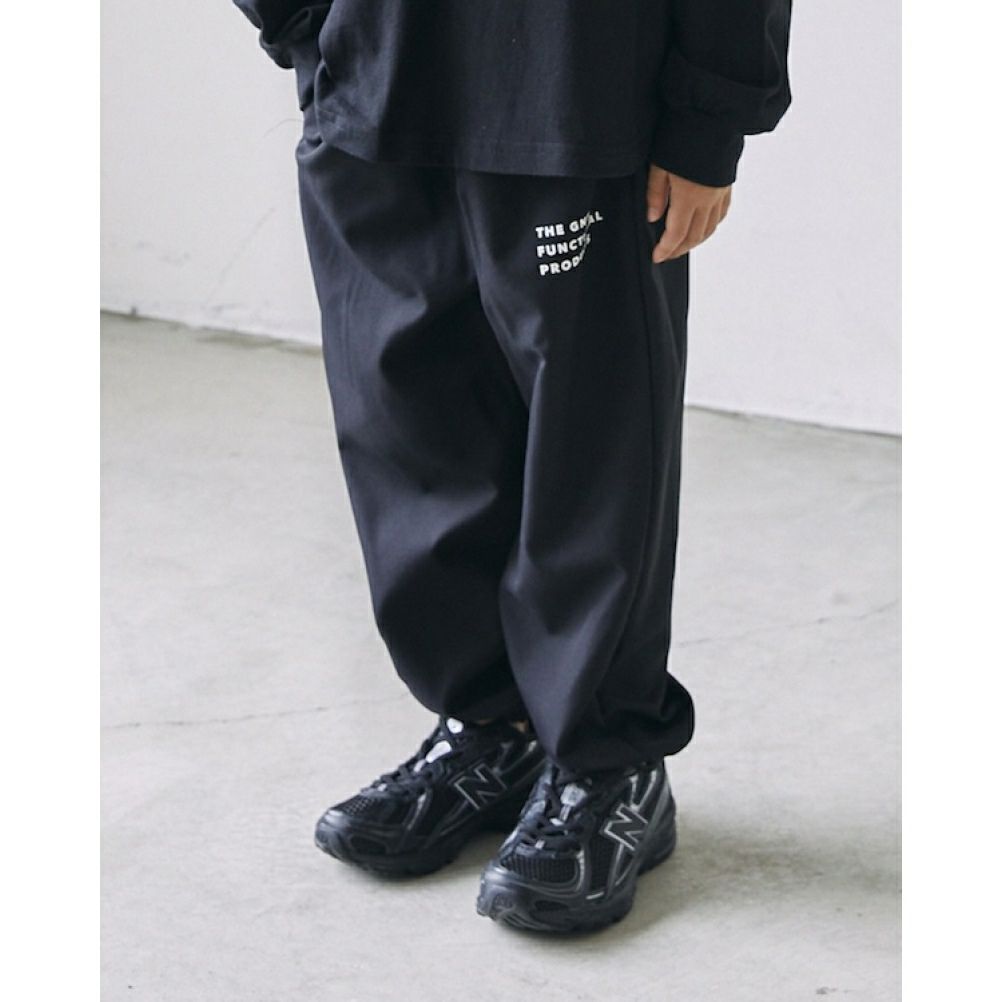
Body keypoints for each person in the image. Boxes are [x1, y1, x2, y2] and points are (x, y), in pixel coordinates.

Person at [234, 0, 792, 933]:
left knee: (594, 440)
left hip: (580, 88)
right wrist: (304, 24)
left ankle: (610, 764)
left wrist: (708, 116)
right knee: (406, 423)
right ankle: (489, 730)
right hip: (374, 69)